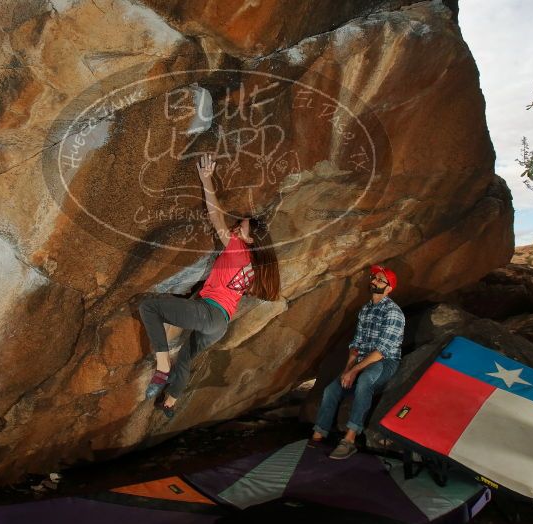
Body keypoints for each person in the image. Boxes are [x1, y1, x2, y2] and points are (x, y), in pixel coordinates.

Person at [138, 153, 281, 418]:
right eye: (238, 225)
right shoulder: (255, 268)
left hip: (210, 313)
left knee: (149, 307)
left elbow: (216, 217)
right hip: (220, 324)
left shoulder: (238, 250)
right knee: (187, 358)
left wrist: (206, 179)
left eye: (242, 228)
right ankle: (170, 402)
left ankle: (162, 366)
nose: (237, 229)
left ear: (250, 241)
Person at [310, 264, 405, 459]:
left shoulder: (393, 313)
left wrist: (354, 372)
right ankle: (319, 434)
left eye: (380, 280)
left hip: (385, 362)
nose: (374, 281)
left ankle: (350, 438)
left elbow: (381, 352)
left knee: (364, 381)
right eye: (374, 277)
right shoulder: (366, 310)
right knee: (332, 389)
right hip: (363, 359)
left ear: (389, 288)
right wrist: (347, 370)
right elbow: (356, 344)